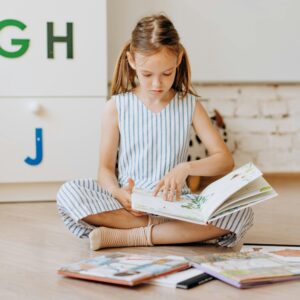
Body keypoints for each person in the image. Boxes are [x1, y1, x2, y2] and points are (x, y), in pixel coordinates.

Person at [56, 14, 253, 250]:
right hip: (129, 205)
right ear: (131, 61)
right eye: (147, 74)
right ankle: (167, 232)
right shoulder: (116, 107)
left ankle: (130, 236)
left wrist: (187, 168)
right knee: (69, 193)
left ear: (178, 59)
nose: (157, 84)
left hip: (177, 206)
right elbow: (105, 169)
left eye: (167, 73)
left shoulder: (189, 105)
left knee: (242, 211)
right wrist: (118, 193)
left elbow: (225, 161)